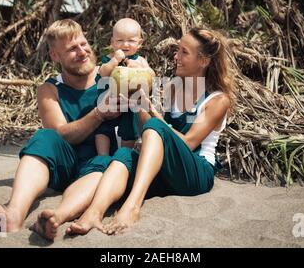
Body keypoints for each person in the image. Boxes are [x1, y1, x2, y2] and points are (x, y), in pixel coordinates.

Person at [65, 27, 236, 236]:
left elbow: (188, 143)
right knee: (124, 154)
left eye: (184, 52)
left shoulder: (218, 100)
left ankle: (132, 207)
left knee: (157, 126)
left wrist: (153, 111)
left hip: (195, 173)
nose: (176, 56)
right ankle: (93, 213)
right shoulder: (174, 88)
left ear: (204, 61)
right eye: (178, 50)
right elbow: (148, 130)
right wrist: (139, 101)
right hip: (166, 171)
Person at [0, 19, 122, 241]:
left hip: (100, 166)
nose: (82, 52)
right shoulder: (50, 88)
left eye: (83, 44)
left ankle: (55, 218)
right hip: (64, 166)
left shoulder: (112, 75)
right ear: (55, 56)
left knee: (104, 163)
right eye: (72, 49)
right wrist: (98, 113)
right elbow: (61, 133)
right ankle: (13, 214)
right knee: (44, 137)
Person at [95, 18, 155, 155]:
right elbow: (103, 73)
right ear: (112, 42)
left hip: (129, 104)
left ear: (139, 43)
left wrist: (140, 68)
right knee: (102, 128)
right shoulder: (109, 58)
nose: (125, 44)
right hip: (108, 101)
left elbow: (152, 76)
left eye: (131, 41)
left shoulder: (140, 60)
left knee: (129, 128)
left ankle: (123, 156)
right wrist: (115, 60)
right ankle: (102, 156)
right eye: (119, 40)